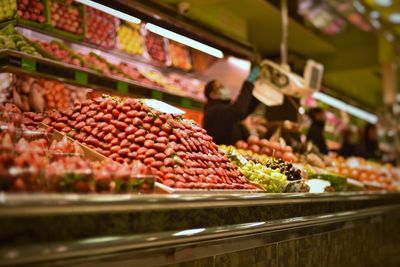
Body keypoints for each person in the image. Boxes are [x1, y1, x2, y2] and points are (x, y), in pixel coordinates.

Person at [202, 67, 260, 145]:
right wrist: (248, 84)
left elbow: (244, 112)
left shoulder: (223, 108)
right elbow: (238, 110)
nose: (225, 88)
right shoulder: (214, 110)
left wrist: (258, 96)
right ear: (212, 95)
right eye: (220, 87)